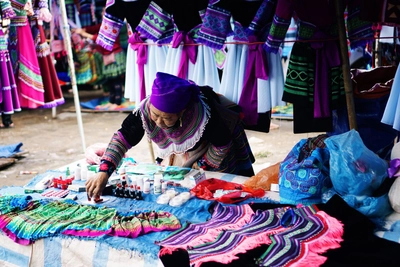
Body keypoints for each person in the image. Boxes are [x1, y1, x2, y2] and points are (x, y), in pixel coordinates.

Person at [86, 72, 255, 199]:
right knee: (179, 183)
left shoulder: (203, 116)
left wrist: (201, 165)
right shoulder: (145, 110)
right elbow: (122, 139)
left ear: (182, 112)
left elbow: (222, 143)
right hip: (183, 150)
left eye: (166, 118)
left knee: (217, 192)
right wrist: (104, 172)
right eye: (155, 114)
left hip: (213, 147)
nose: (159, 122)